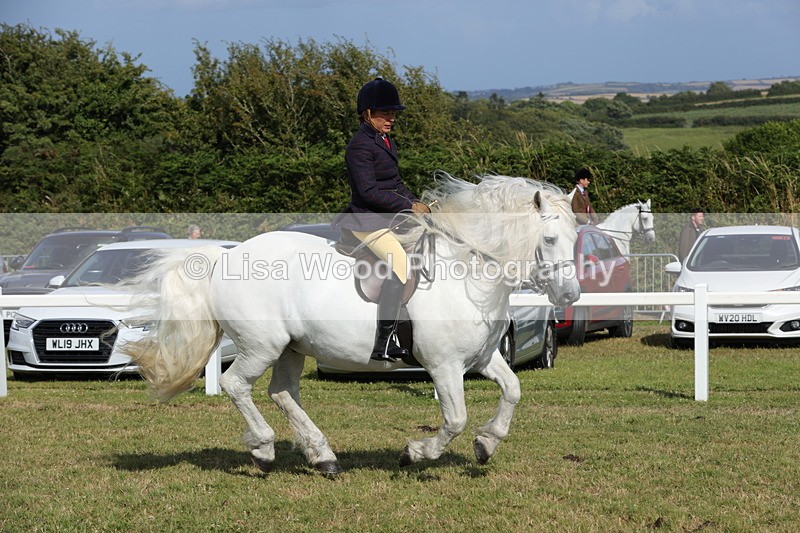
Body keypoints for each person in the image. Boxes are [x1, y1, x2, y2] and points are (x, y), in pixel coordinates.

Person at [333, 77, 430, 362]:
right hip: (366, 221)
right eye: (385, 113)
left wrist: (417, 203)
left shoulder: (386, 141)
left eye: (393, 113)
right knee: (400, 266)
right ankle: (383, 343)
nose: (391, 118)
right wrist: (408, 206)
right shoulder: (359, 147)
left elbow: (395, 183)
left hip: (386, 219)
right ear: (367, 114)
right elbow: (369, 192)